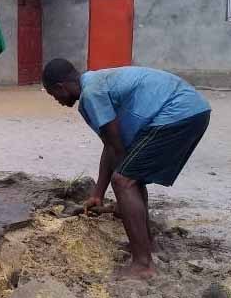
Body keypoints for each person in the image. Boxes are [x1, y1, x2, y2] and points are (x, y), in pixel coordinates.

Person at [42, 59, 211, 279]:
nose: (56, 100)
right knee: (130, 177)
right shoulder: (96, 82)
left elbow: (117, 149)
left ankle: (143, 265)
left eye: (53, 95)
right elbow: (110, 145)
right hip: (193, 109)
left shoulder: (91, 94)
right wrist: (97, 194)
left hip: (178, 112)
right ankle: (146, 244)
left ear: (60, 87)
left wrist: (123, 201)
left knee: (124, 181)